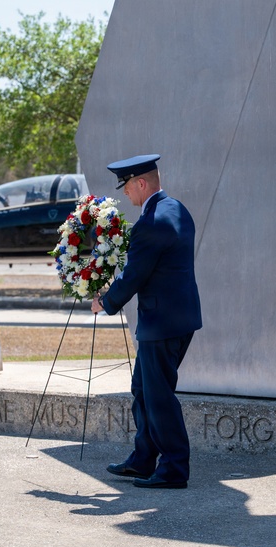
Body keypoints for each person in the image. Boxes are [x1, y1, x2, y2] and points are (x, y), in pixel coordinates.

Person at [91, 154, 202, 489]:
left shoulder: (151, 222)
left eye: (126, 185)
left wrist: (104, 302)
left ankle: (173, 469)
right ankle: (143, 460)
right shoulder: (177, 208)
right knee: (143, 388)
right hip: (178, 318)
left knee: (158, 396)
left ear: (141, 183)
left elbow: (134, 276)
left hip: (162, 322)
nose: (125, 193)